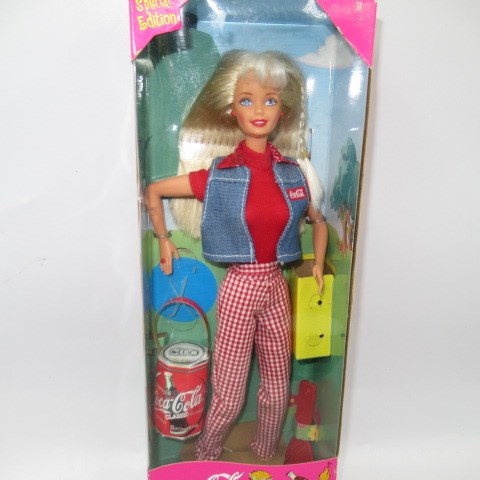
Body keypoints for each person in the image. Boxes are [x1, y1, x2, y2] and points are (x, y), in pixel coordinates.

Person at [145, 50, 328, 461]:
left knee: (277, 388)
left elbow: (318, 221)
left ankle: (265, 451)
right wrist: (163, 238)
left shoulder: (293, 172)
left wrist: (317, 263)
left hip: (275, 286)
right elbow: (154, 191)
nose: (259, 110)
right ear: (232, 109)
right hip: (241, 286)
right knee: (229, 393)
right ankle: (206, 455)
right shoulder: (219, 175)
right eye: (247, 100)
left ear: (283, 110)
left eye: (270, 100)